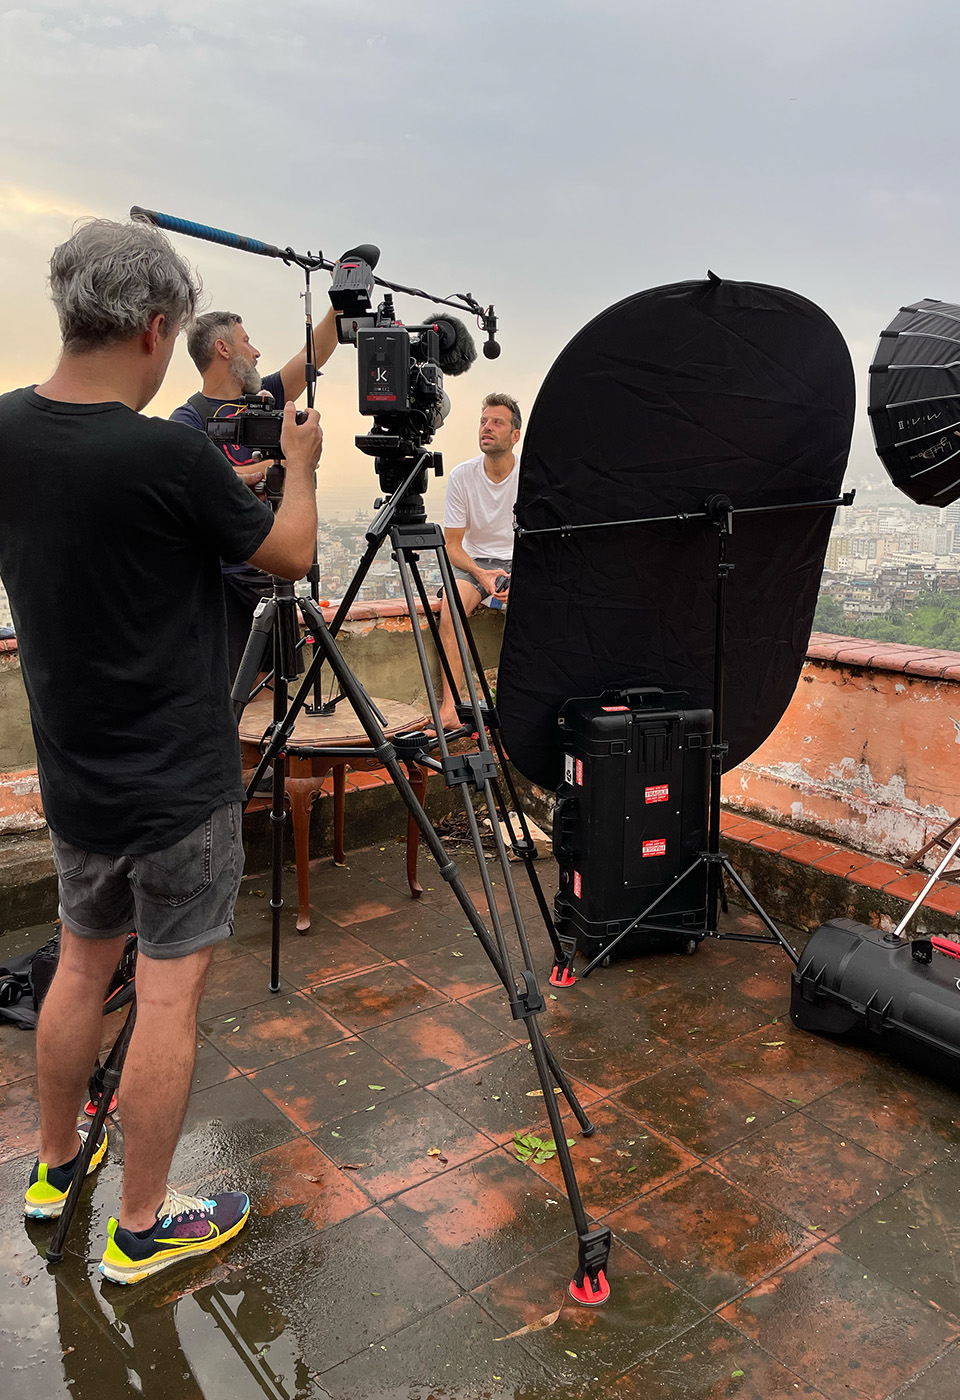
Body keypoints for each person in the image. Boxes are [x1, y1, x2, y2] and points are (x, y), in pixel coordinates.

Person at [0, 218, 321, 1283]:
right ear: (151, 328)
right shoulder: (167, 452)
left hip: (75, 774)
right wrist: (303, 467)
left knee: (81, 965)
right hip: (181, 780)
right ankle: (141, 1226)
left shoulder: (6, 429)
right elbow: (292, 552)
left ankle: (54, 1171)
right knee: (169, 999)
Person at [170, 305, 339, 680]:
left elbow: (312, 355)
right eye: (245, 341)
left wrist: (338, 305)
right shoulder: (190, 419)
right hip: (225, 580)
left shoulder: (267, 399)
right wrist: (278, 466)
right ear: (223, 349)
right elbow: (201, 481)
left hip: (274, 567)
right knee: (237, 688)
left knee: (277, 683)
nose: (256, 351)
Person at [437, 393, 521, 729]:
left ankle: (524, 706)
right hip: (475, 561)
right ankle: (449, 709)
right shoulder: (463, 476)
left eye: (497, 422)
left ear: (515, 435)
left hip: (520, 556)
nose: (487, 427)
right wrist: (481, 574)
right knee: (452, 608)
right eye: (484, 421)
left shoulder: (528, 475)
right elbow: (452, 546)